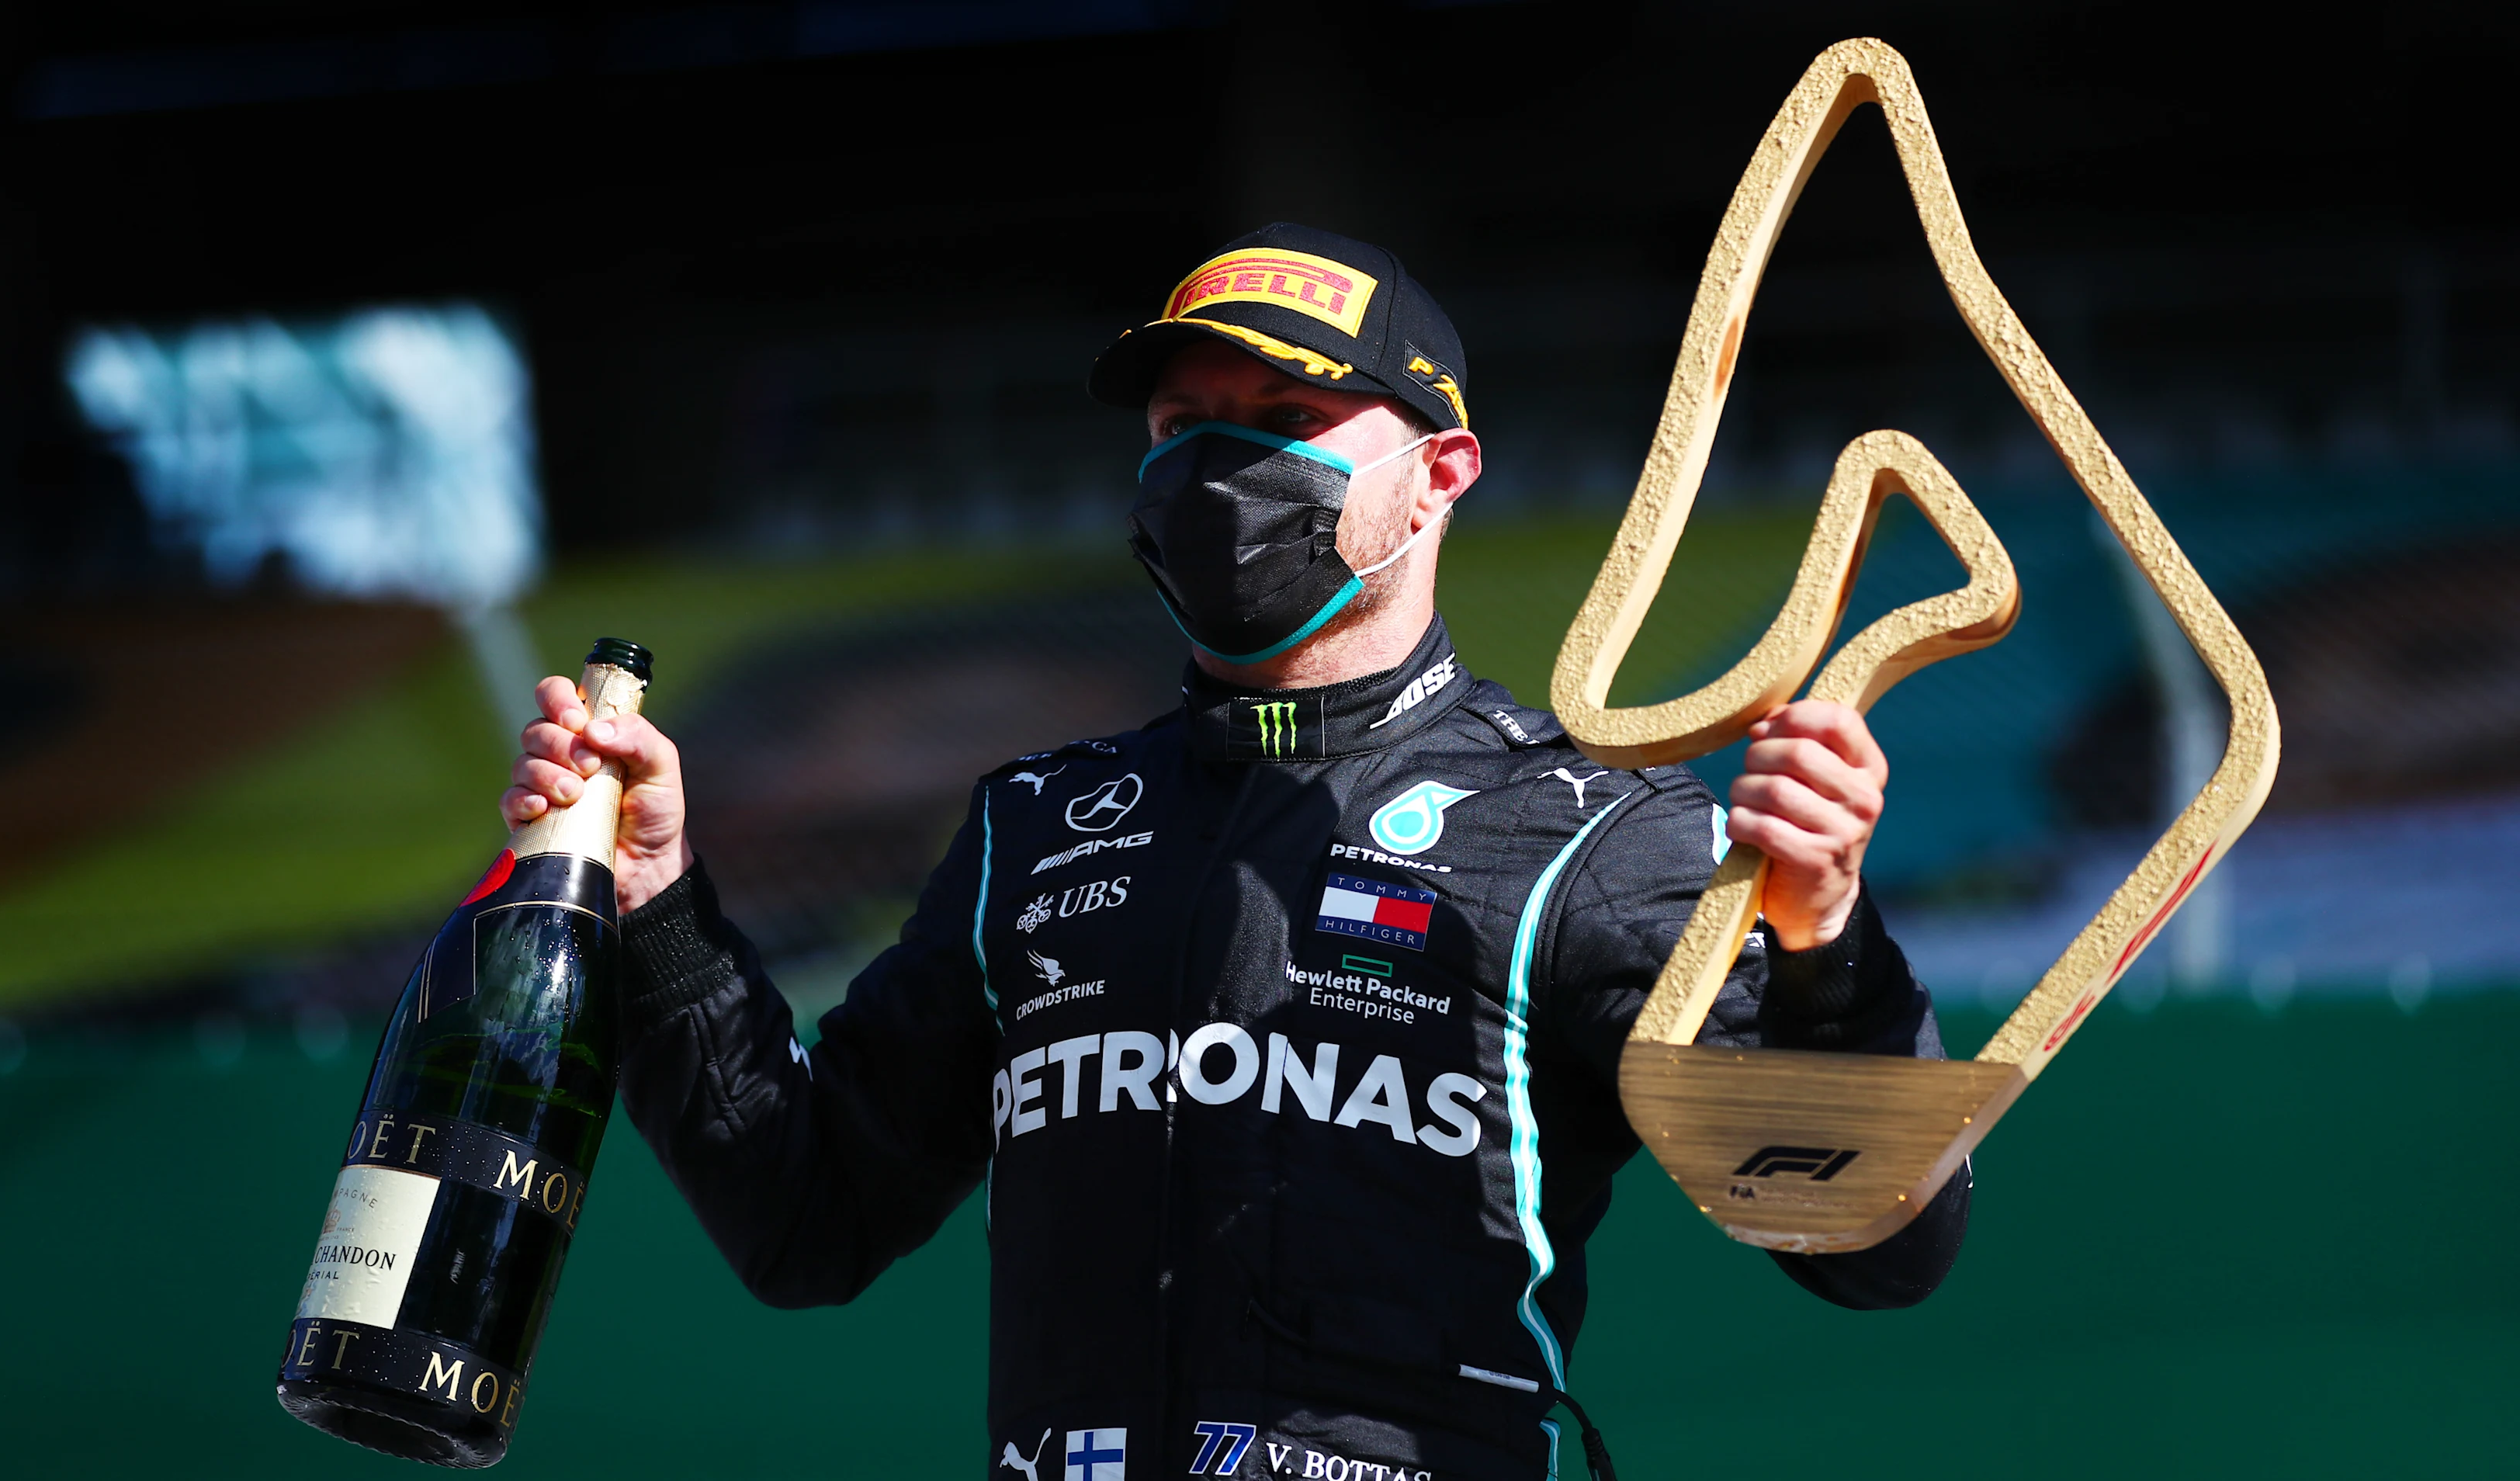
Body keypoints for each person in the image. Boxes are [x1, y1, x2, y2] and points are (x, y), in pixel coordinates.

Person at [504, 224, 1969, 1481]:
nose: (1216, 464)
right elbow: (803, 1221)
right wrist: (655, 906)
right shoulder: (1036, 827)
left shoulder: (1593, 831)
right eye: (1179, 424)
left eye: (1282, 414)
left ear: (1441, 469)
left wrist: (1828, 939)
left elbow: (1876, 1251)